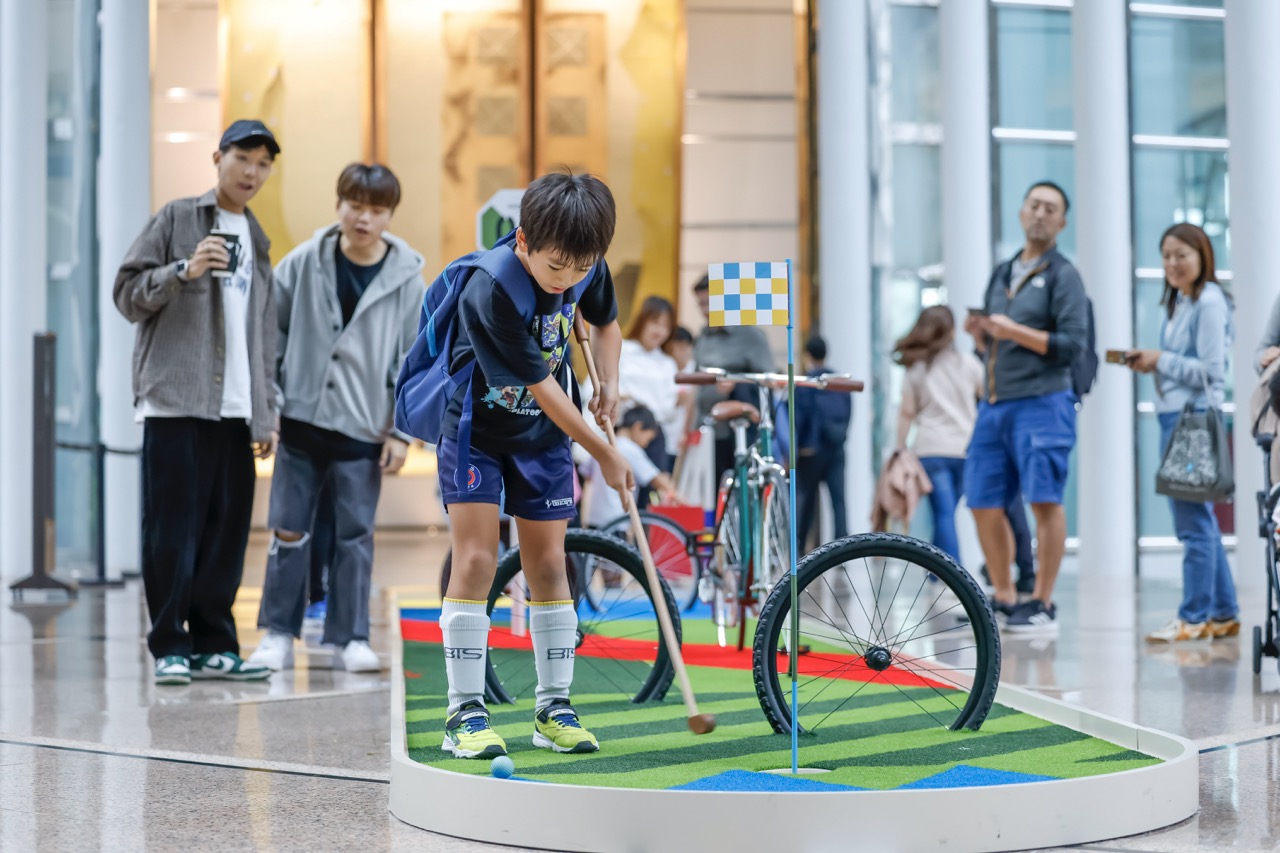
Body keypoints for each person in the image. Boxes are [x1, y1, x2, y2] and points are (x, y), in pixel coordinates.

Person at [434, 172, 632, 759]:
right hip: (477, 430)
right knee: (476, 558)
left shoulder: (584, 260)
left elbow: (607, 325)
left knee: (550, 561)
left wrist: (611, 384)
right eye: (555, 268)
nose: (568, 279)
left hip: (543, 436)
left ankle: (554, 708)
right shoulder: (490, 290)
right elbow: (542, 385)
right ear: (523, 241)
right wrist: (605, 452)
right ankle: (462, 715)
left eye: (581, 267)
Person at [113, 119, 282, 685]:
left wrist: (265, 410)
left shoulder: (258, 239)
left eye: (263, 164)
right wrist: (183, 270)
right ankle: (169, 646)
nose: (252, 172)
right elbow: (127, 295)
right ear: (218, 157)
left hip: (235, 410)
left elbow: (263, 335)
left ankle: (215, 642)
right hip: (174, 401)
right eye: (243, 159)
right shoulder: (177, 218)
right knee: (170, 528)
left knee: (226, 531)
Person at [247, 163, 422, 673]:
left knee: (355, 535)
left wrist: (402, 433)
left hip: (364, 429)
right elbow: (269, 337)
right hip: (300, 422)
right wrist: (269, 407)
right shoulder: (302, 262)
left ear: (390, 215)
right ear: (339, 204)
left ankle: (351, 637)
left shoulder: (408, 277)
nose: (364, 218)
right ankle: (278, 632)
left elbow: (412, 359)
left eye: (376, 209)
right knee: (287, 529)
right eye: (355, 205)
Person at [963, 181, 1089, 634]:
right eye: (1034, 204)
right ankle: (1004, 595)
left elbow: (1072, 344)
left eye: (1050, 208)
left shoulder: (1064, 275)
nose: (1040, 213)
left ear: (1061, 223)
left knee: (1043, 500)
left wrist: (1012, 331)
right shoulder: (1002, 272)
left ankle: (1042, 602)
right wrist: (982, 338)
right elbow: (996, 345)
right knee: (981, 500)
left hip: (1044, 402)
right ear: (1021, 212)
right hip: (995, 405)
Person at [1125, 223, 1239, 643]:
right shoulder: (1184, 301)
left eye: (1181, 255)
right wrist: (1158, 361)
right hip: (1176, 419)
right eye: (1167, 255)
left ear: (1202, 255)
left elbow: (1212, 371)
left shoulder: (1208, 301)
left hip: (1191, 422)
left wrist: (1161, 360)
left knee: (1193, 524)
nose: (1172, 264)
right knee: (1200, 519)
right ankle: (1224, 613)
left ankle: (1193, 618)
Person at [892, 308, 984, 564]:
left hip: (931, 450)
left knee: (943, 514)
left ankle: (952, 574)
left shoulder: (917, 369)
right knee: (948, 512)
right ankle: (939, 572)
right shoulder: (970, 364)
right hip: (965, 450)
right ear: (952, 331)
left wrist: (900, 448)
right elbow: (986, 399)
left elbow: (906, 412)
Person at [691, 275, 776, 483]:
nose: (705, 310)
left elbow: (769, 380)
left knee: (742, 485)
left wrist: (736, 381)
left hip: (740, 430)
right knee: (712, 491)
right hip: (707, 427)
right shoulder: (703, 336)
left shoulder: (750, 335)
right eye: (701, 304)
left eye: (709, 303)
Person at [793, 336, 853, 551]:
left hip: (811, 449)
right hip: (836, 448)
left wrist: (798, 446)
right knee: (838, 501)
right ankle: (843, 549)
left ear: (807, 354)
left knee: (807, 500)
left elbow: (799, 416)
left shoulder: (806, 382)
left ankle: (799, 547)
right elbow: (848, 412)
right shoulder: (840, 381)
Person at [583, 406, 679, 528]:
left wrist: (584, 517)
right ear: (638, 427)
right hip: (617, 519)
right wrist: (683, 500)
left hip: (595, 517)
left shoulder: (603, 445)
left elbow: (588, 480)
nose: (646, 444)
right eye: (648, 438)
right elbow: (657, 480)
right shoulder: (630, 449)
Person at [618, 296, 681, 474]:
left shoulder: (668, 363)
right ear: (642, 321)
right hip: (624, 432)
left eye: (666, 326)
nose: (660, 331)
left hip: (654, 434)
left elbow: (669, 408)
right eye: (655, 322)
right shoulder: (622, 349)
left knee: (651, 493)